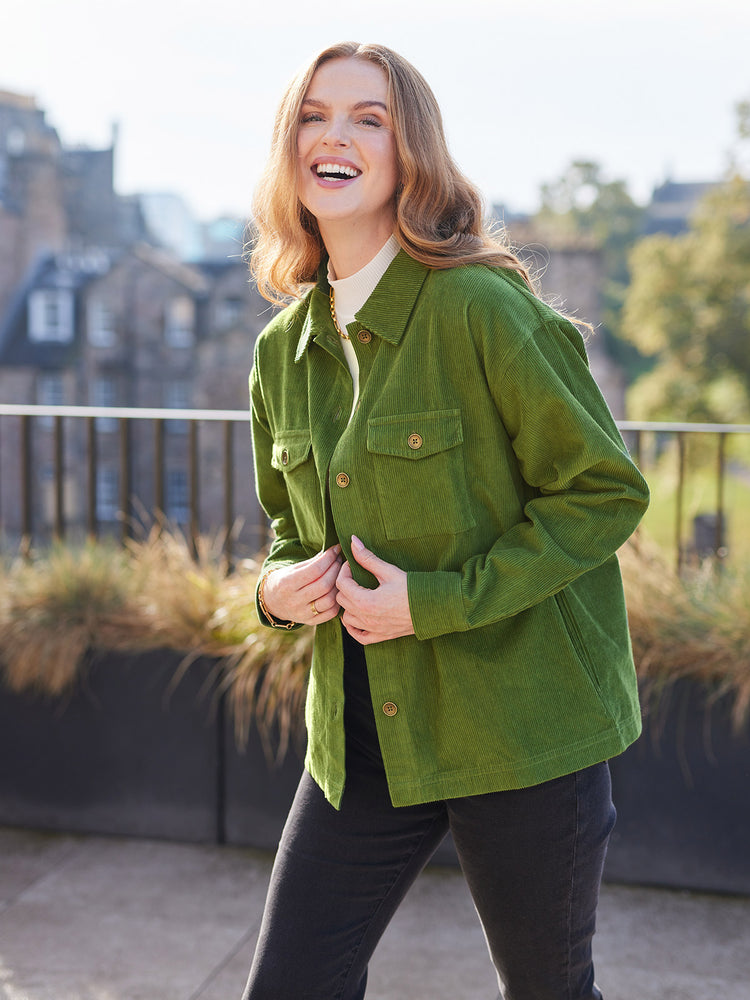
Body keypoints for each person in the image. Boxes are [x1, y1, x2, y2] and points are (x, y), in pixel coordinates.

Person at [241, 40, 649, 1000]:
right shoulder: (279, 352)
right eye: (313, 115)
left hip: (518, 724)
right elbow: (285, 529)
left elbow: (602, 492)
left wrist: (437, 602)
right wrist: (275, 591)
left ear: (408, 152)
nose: (333, 136)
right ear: (288, 146)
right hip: (362, 733)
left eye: (367, 118)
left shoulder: (481, 309)